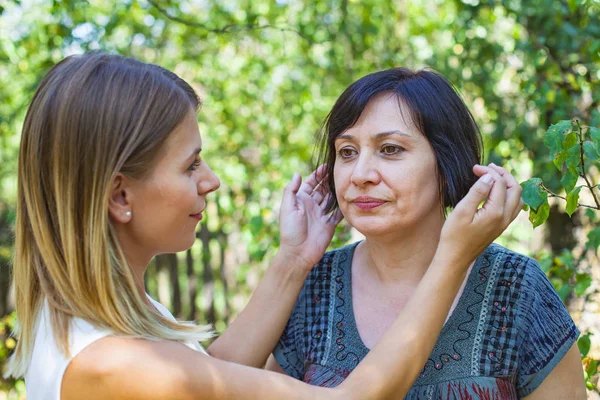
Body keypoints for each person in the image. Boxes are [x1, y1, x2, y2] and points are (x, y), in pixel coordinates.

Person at [7, 53, 522, 400]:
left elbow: (208, 375)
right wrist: (453, 256)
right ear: (120, 195)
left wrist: (293, 260)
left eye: (390, 150)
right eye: (190, 166)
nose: (210, 181)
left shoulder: (100, 324)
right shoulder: (110, 362)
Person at [267, 68, 587, 399]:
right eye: (347, 152)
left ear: (447, 165)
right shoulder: (314, 285)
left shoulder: (515, 286)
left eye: (390, 149)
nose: (359, 174)